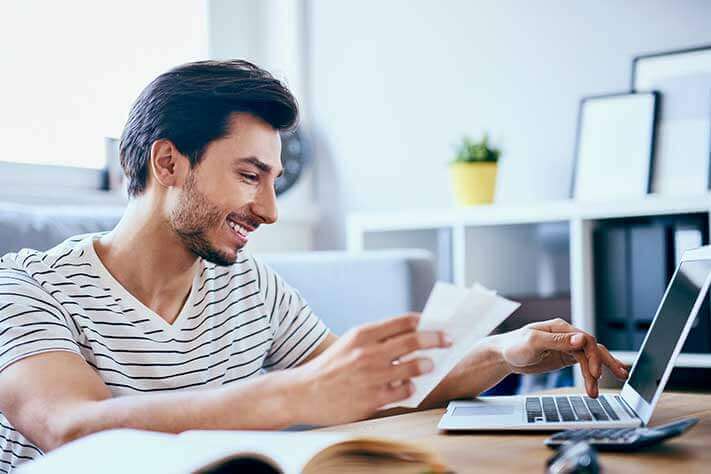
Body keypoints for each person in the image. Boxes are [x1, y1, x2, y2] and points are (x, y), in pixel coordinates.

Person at [0, 60, 627, 471]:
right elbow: (68, 429)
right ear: (168, 163)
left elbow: (370, 390)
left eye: (274, 181)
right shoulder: (25, 285)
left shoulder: (249, 285)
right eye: (250, 176)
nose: (268, 210)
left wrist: (504, 353)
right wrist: (297, 393)